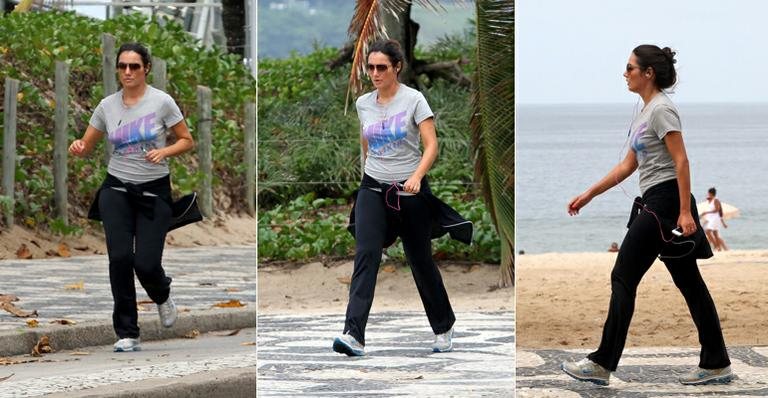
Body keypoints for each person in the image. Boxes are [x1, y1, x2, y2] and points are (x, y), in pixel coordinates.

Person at [561, 45, 732, 385]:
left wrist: (685, 211)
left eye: (630, 68)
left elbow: (681, 161)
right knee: (690, 284)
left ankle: (601, 364)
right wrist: (589, 194)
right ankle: (716, 363)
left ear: (648, 73)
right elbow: (628, 165)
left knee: (623, 276)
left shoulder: (662, 110)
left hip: (666, 203)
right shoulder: (644, 112)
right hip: (656, 199)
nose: (625, 73)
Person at [333, 39, 472, 356]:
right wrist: (367, 173)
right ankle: (353, 335)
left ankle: (444, 325)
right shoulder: (364, 103)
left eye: (382, 67)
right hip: (372, 188)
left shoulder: (414, 100)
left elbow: (431, 144)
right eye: (371, 67)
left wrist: (417, 177)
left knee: (420, 261)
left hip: (409, 193)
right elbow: (366, 142)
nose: (375, 73)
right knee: (366, 255)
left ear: (397, 67)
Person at [69, 42, 195, 352]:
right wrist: (78, 148)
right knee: (120, 259)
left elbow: (186, 140)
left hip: (154, 191)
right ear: (117, 69)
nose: (128, 72)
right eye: (123, 66)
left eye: (134, 66)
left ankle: (162, 293)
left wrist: (164, 151)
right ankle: (127, 332)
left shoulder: (161, 102)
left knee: (146, 263)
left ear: (146, 69)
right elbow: (88, 146)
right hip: (116, 190)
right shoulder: (107, 106)